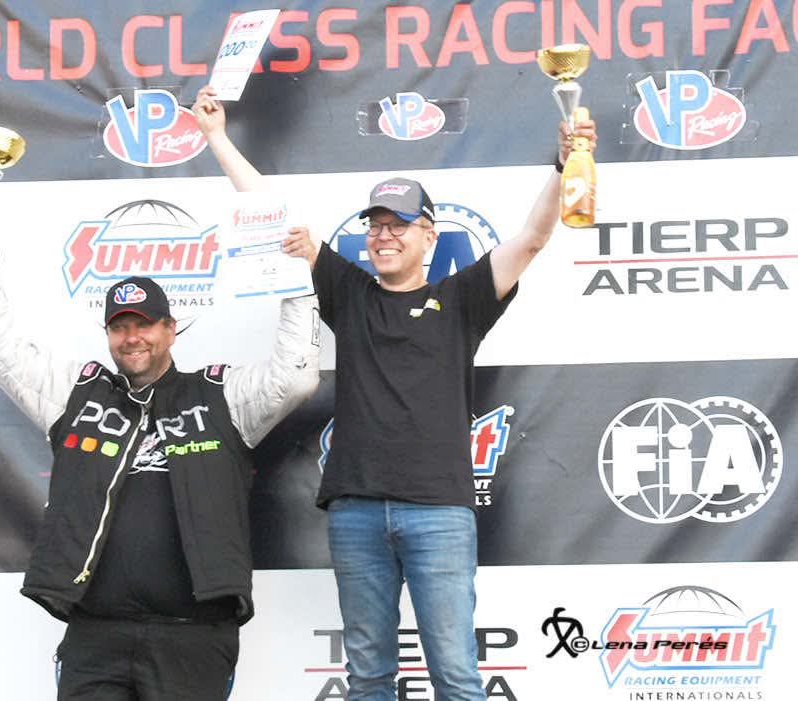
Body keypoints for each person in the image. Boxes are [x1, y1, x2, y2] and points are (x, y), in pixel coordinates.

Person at [193, 84, 597, 700]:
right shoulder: (350, 292)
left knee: (456, 676)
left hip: (439, 513)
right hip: (356, 513)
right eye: (376, 225)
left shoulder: (462, 299)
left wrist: (564, 167)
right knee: (369, 678)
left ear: (429, 236)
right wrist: (217, 137)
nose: (384, 235)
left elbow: (531, 240)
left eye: (399, 224)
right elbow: (268, 211)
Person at [0, 203, 320, 700]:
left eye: (144, 324)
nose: (132, 338)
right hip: (95, 633)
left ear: (171, 328)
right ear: (108, 334)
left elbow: (296, 376)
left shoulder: (220, 396)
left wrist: (296, 282)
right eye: (120, 327)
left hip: (194, 634)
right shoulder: (77, 396)